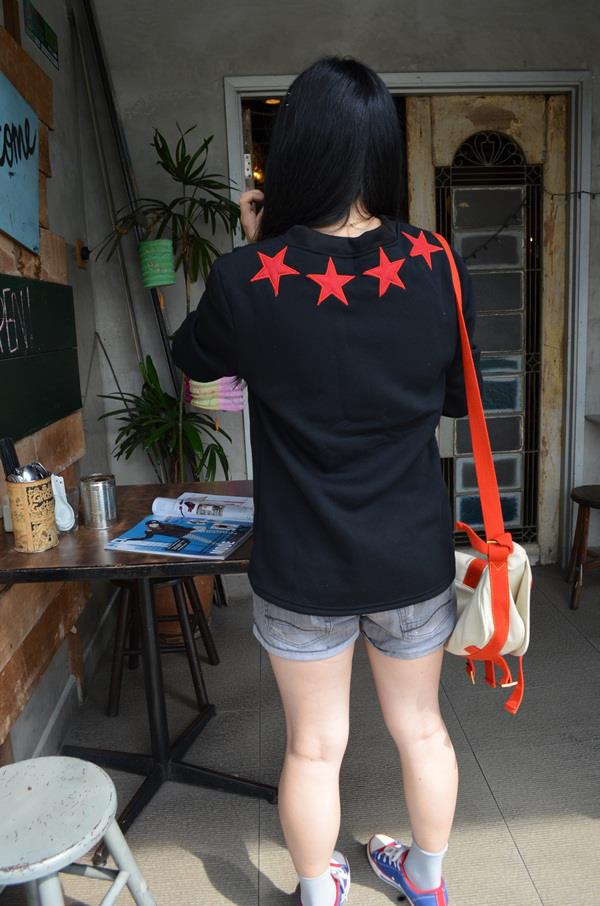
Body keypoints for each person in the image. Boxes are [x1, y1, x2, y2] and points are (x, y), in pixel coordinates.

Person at [172, 55, 482, 906]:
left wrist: (258, 251)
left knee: (313, 747)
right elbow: (459, 398)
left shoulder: (249, 277)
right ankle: (424, 882)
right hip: (410, 552)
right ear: (381, 149)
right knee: (423, 730)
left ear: (294, 155)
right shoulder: (437, 263)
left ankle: (317, 892)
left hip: (301, 562)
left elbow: (192, 357)